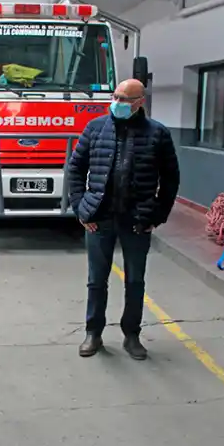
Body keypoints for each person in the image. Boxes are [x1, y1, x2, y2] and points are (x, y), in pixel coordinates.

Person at [67, 78, 180, 360]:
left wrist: (157, 214)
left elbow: (170, 179)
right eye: (115, 96)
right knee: (96, 280)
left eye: (124, 99)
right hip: (99, 217)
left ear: (140, 102)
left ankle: (132, 336)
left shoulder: (158, 134)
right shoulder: (95, 128)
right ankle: (93, 332)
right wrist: (82, 208)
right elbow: (76, 169)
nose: (116, 103)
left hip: (137, 220)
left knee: (135, 281)